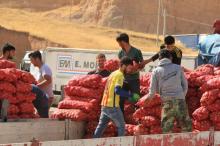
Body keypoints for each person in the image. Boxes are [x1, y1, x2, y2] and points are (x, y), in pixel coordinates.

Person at [144, 49, 191, 133]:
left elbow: (152, 91)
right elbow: (185, 85)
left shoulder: (156, 71)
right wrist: (181, 96)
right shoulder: (178, 67)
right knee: (186, 127)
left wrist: (147, 100)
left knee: (167, 129)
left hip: (167, 102)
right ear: (170, 58)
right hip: (180, 100)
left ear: (159, 58)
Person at [93, 57, 140, 138]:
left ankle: (93, 142)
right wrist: (130, 95)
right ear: (124, 66)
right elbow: (117, 90)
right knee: (122, 126)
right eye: (129, 68)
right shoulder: (120, 75)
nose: (129, 71)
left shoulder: (113, 73)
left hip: (104, 105)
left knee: (101, 127)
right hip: (112, 106)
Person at [117, 33, 144, 113]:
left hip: (134, 79)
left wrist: (136, 70)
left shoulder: (136, 52)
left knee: (136, 99)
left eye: (119, 43)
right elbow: (121, 66)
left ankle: (138, 118)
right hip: (124, 80)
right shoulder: (120, 53)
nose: (119, 45)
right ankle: (121, 118)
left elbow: (142, 65)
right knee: (120, 99)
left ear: (123, 42)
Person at [0, 43, 16, 122]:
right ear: (7, 52)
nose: (14, 54)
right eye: (12, 52)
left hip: (6, 95)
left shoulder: (10, 65)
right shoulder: (3, 63)